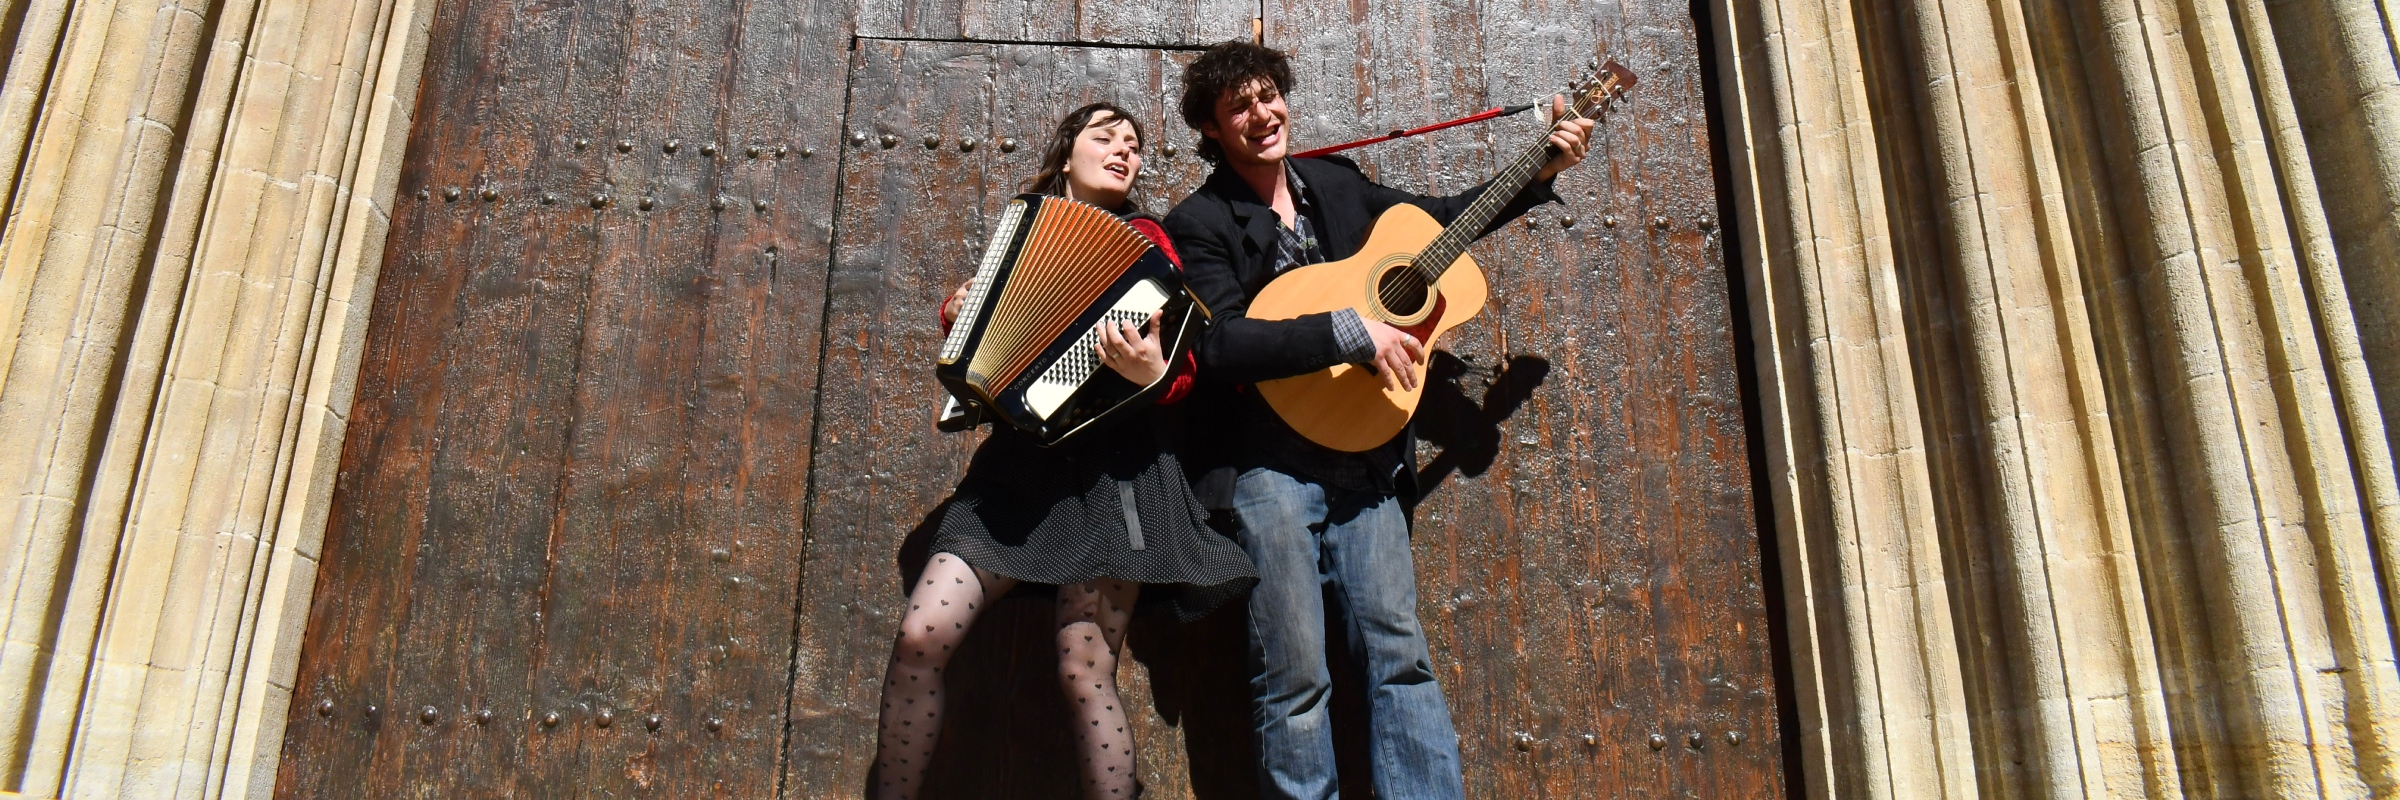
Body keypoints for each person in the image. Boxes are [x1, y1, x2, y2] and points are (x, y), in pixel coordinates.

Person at [1162, 41, 1596, 799]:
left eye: (1270, 96)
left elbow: (1441, 231)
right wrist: (1348, 332)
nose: (1263, 114)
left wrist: (1536, 171)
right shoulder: (1200, 221)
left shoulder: (1338, 185)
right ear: (1211, 126)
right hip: (1269, 469)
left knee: (1400, 659)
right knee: (1294, 675)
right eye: (1240, 106)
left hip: (1367, 463)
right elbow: (1219, 343)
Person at [869, 102, 1257, 800]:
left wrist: (1152, 376)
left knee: (1084, 667)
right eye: (1104, 137)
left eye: (1134, 145)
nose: (1123, 150)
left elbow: (1183, 370)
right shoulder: (1025, 227)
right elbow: (981, 336)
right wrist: (959, 314)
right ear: (1066, 151)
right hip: (1018, 470)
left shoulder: (1149, 241)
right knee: (921, 639)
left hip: (1118, 472)